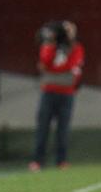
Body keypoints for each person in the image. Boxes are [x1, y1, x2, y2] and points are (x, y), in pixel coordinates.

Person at [29, 21, 84, 171]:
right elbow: (44, 62)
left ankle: (61, 160)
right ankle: (38, 160)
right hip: (48, 91)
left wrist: (53, 70)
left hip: (67, 93)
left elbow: (70, 65)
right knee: (43, 127)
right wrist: (52, 43)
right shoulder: (49, 45)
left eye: (70, 31)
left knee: (63, 129)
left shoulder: (77, 47)